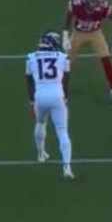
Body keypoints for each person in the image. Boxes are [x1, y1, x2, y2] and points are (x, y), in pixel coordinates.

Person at [26, 31, 74, 179]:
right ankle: (66, 167)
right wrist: (65, 97)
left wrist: (31, 102)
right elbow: (66, 80)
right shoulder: (63, 57)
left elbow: (29, 82)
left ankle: (41, 154)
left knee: (40, 123)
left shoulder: (30, 58)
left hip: (39, 96)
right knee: (62, 131)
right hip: (57, 95)